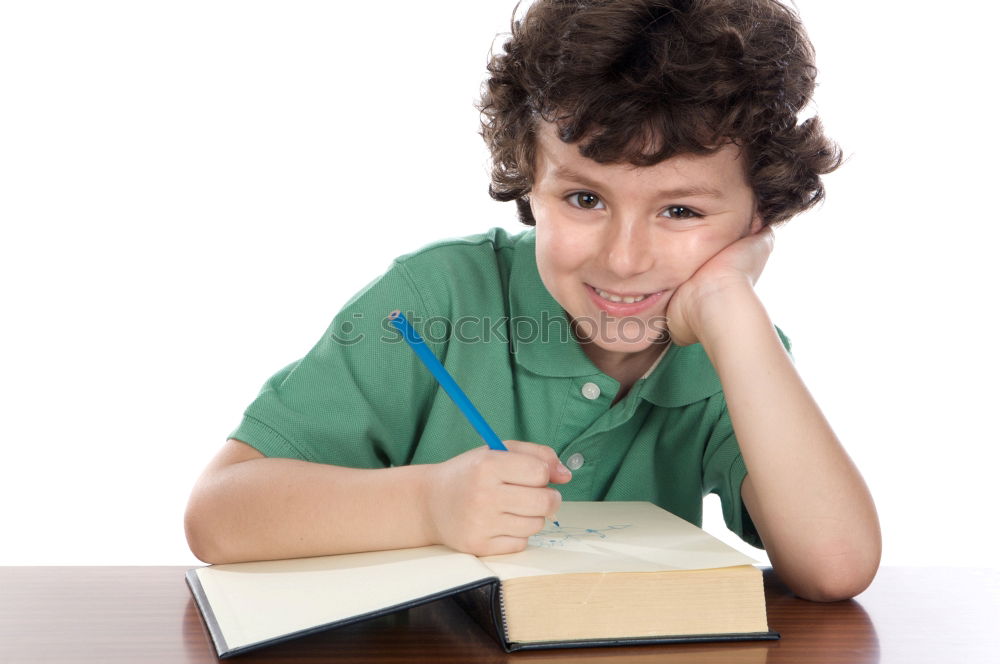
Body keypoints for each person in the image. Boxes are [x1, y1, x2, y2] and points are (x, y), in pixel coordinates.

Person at [185, 0, 880, 602]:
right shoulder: (437, 300)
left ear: (761, 214)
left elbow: (835, 565)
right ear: (529, 179)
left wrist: (730, 303)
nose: (624, 258)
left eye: (681, 212)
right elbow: (218, 514)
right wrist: (429, 505)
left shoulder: (737, 349)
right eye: (584, 199)